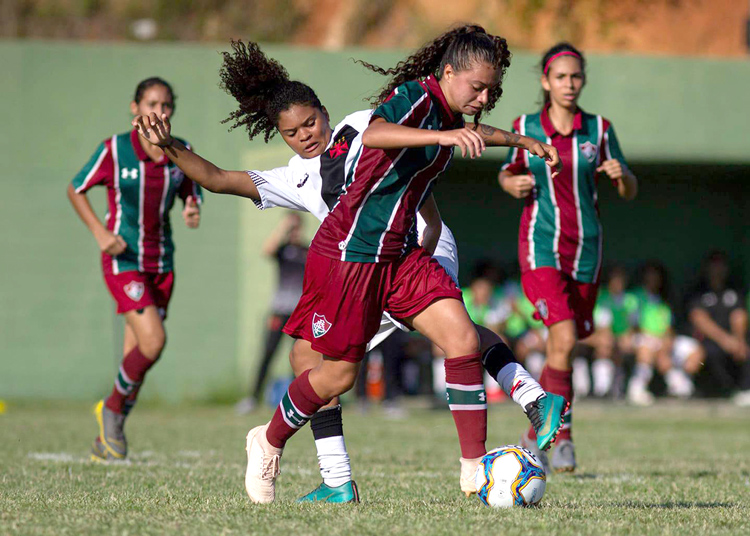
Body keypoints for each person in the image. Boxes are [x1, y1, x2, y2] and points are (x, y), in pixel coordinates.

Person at [133, 32, 566, 504]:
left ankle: (493, 444)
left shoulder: (366, 123)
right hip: (351, 258)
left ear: (324, 111)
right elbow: (217, 179)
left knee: (460, 337)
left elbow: (426, 138)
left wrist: (518, 141)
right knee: (319, 367)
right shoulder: (296, 178)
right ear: (280, 136)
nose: (306, 135)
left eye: (311, 122)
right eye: (292, 132)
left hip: (407, 248)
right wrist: (170, 145)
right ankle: (312, 464)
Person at [498, 42, 638, 473]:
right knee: (560, 338)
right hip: (541, 247)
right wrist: (510, 184)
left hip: (587, 251)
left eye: (576, 76)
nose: (569, 84)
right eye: (561, 76)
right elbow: (507, 171)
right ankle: (549, 434)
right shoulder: (524, 126)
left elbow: (628, 189)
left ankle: (554, 437)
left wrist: (624, 176)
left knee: (567, 345)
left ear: (583, 81)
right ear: (545, 81)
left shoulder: (598, 129)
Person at [67, 77, 202, 461]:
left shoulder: (182, 149)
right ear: (134, 108)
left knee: (140, 354)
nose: (158, 112)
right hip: (124, 258)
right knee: (154, 341)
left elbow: (193, 190)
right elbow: (76, 188)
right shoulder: (115, 149)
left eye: (166, 105)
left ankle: (108, 440)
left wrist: (193, 208)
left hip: (162, 262)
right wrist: (99, 233)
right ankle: (111, 410)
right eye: (151, 103)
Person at [235, 213, 308, 415]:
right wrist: (283, 227)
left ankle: (295, 401)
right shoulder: (282, 250)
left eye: (296, 228)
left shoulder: (307, 250)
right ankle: (252, 397)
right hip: (279, 311)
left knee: (298, 358)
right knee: (267, 353)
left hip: (300, 314)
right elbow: (267, 250)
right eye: (291, 228)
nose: (294, 232)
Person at [688, 251, 750, 404]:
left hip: (734, 339)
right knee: (710, 352)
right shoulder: (698, 291)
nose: (718, 270)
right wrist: (725, 340)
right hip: (709, 340)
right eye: (714, 266)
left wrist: (739, 340)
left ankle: (745, 389)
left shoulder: (734, 289)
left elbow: (739, 315)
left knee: (745, 349)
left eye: (721, 266)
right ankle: (722, 390)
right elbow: (699, 319)